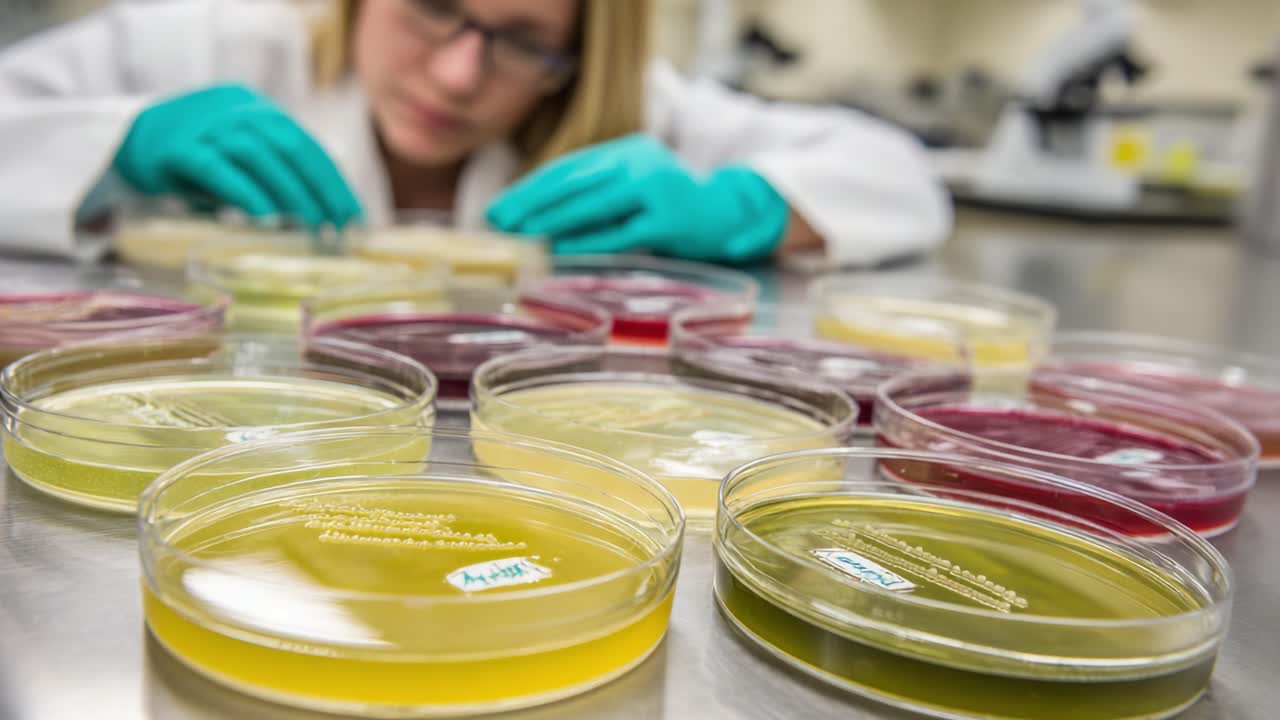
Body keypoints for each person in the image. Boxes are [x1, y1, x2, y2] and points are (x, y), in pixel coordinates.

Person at [0, 0, 951, 266]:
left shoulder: (627, 114)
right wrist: (112, 139)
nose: (459, 75)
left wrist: (740, 206)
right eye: (430, 9)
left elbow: (898, 176)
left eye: (523, 42)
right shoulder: (213, 43)